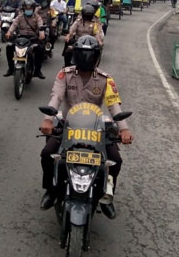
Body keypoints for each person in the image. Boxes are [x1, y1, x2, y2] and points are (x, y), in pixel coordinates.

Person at [39, 35, 134, 219]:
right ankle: (50, 190)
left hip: (95, 127)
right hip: (68, 125)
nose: (86, 58)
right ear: (75, 55)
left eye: (90, 55)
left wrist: (124, 129)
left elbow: (114, 105)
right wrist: (48, 120)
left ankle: (108, 194)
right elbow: (56, 97)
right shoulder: (64, 74)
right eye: (82, 54)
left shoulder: (105, 79)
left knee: (115, 160)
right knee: (47, 154)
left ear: (96, 56)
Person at [3, 0, 46, 79]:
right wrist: (9, 32)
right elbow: (14, 25)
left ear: (33, 9)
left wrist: (41, 34)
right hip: (21, 38)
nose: (28, 10)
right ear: (24, 8)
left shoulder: (37, 17)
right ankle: (11, 68)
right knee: (9, 47)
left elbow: (40, 26)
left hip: (33, 38)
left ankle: (37, 70)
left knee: (40, 49)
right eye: (26, 8)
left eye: (30, 8)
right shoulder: (20, 17)